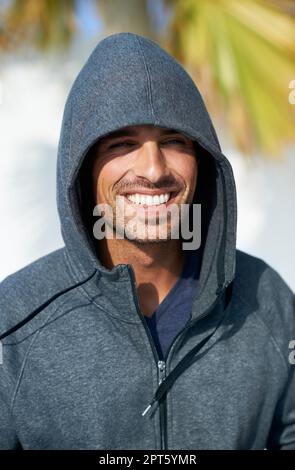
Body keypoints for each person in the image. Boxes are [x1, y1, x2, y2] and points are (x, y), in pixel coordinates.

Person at [0, 32, 294, 450]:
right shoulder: (14, 323)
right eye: (122, 143)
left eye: (174, 141)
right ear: (83, 165)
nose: (154, 170)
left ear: (203, 159)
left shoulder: (268, 302)